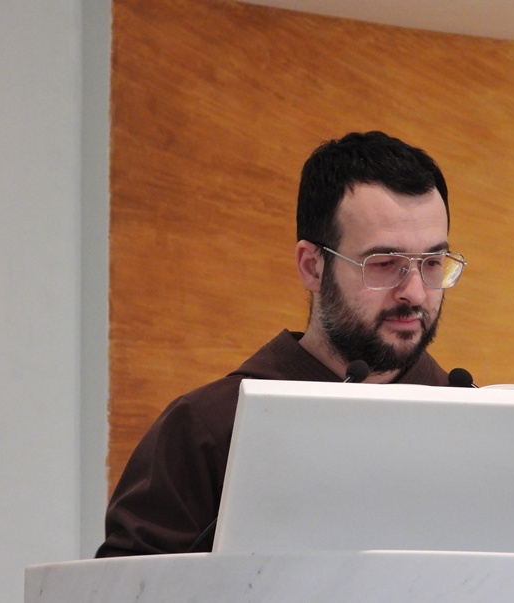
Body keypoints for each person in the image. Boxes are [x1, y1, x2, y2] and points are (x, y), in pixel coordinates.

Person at [95, 131, 468, 557]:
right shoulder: (209, 428)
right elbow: (130, 585)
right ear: (312, 267)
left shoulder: (477, 424)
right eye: (384, 264)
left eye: (432, 263)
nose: (415, 293)